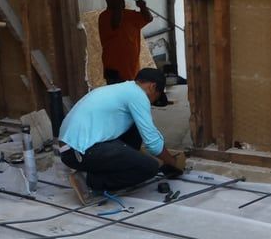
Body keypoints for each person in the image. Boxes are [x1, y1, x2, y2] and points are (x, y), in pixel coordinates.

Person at [59, 67, 183, 204]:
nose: (152, 103)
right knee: (149, 167)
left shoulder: (124, 89)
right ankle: (90, 180)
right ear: (152, 86)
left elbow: (148, 132)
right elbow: (153, 144)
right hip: (77, 152)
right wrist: (173, 163)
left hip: (73, 146)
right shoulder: (138, 95)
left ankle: (122, 165)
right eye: (157, 97)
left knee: (136, 126)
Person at [99, 0, 153, 84]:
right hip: (114, 71)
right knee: (117, 95)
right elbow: (116, 24)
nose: (122, 0)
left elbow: (148, 18)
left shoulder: (129, 14)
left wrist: (143, 7)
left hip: (132, 68)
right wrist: (119, 6)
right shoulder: (104, 16)